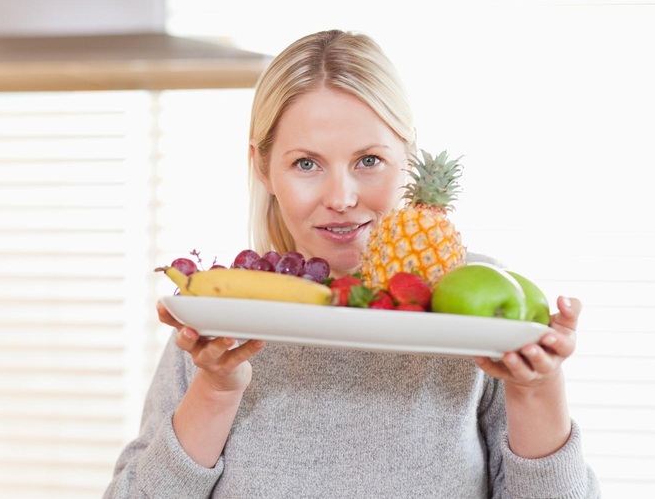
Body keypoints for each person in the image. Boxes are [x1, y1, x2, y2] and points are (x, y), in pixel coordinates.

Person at [105, 29, 600, 498]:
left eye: (368, 161)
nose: (341, 198)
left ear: (407, 156)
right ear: (262, 167)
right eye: (306, 163)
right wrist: (215, 389)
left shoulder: (478, 311)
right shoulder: (223, 316)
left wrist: (538, 389)